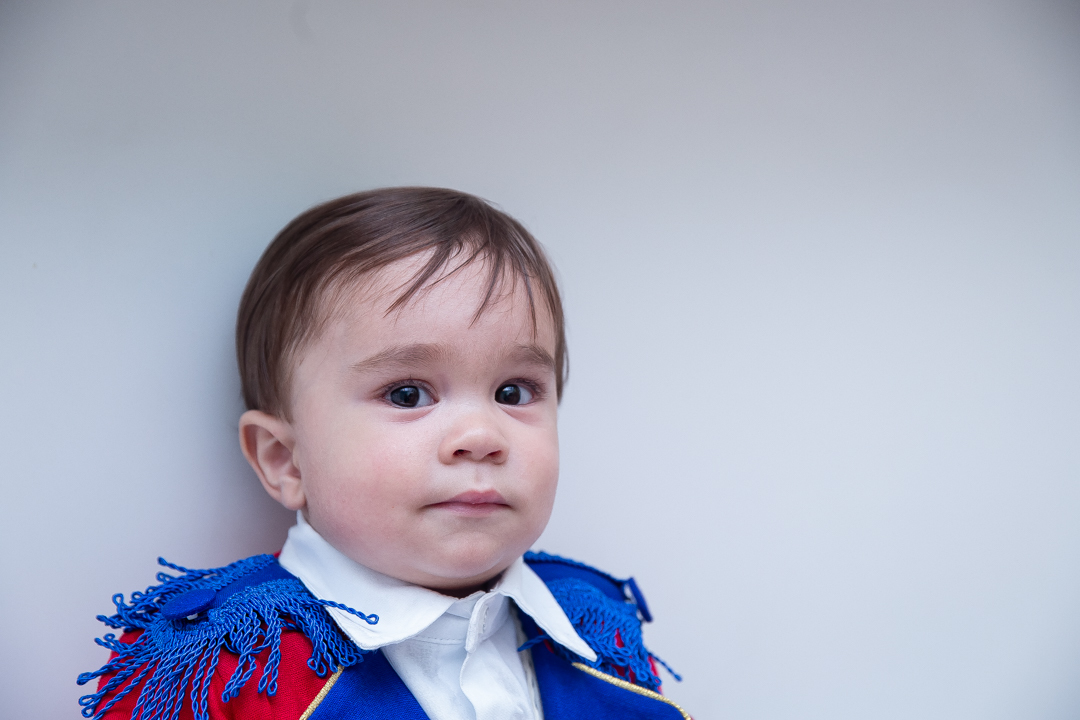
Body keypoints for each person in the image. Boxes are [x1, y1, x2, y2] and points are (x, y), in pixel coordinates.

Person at [78, 187, 689, 720]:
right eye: (406, 393)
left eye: (513, 392)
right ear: (284, 460)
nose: (481, 435)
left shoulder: (596, 629)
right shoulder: (221, 670)